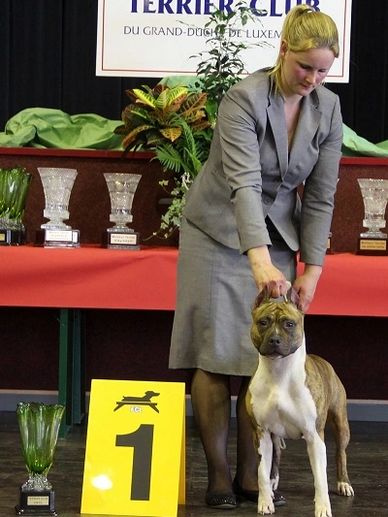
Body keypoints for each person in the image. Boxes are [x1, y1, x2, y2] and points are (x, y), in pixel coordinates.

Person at [169, 4, 342, 509]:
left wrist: (312, 268)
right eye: (304, 66)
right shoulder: (242, 99)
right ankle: (219, 477)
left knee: (263, 356)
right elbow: (244, 185)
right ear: (283, 51)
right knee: (215, 353)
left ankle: (254, 476)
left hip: (280, 235)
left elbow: (322, 194)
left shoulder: (328, 109)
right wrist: (259, 260)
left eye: (323, 70)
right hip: (217, 229)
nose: (312, 78)